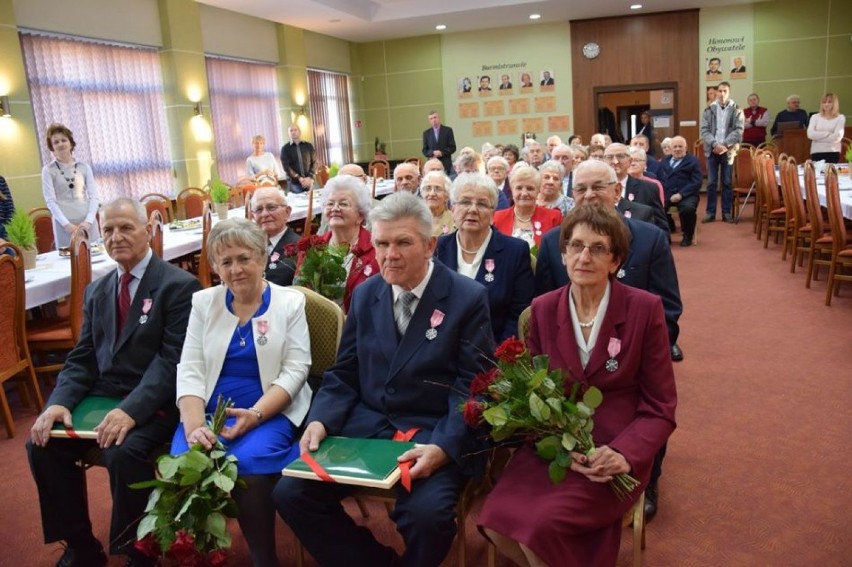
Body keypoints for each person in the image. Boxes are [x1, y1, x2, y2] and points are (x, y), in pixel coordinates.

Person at [274, 192, 495, 567]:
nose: (389, 254)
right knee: (290, 494)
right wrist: (319, 419)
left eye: (402, 242)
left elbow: (473, 387)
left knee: (428, 518)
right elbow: (344, 372)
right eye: (381, 243)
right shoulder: (365, 294)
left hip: (431, 434)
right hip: (368, 429)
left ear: (429, 245)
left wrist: (443, 447)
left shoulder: (466, 297)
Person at [479, 203, 677, 567]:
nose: (584, 256)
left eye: (598, 248)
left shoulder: (644, 309)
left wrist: (624, 455)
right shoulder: (542, 308)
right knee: (496, 520)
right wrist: (555, 444)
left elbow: (661, 407)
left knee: (541, 527)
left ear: (615, 260)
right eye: (575, 245)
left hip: (616, 450)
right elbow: (539, 392)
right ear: (564, 252)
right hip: (555, 444)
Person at [27, 198, 201, 566]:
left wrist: (130, 411)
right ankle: (81, 546)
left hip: (156, 402)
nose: (116, 237)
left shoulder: (178, 286)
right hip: (103, 395)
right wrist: (58, 402)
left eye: (126, 228)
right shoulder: (97, 290)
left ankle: (138, 550)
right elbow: (83, 357)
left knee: (124, 450)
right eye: (108, 230)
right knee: (41, 443)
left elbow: (172, 362)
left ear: (148, 231)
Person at [172, 218, 311, 567]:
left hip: (269, 411)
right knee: (188, 464)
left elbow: (296, 370)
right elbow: (189, 368)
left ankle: (264, 558)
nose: (236, 269)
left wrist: (256, 416)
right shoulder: (203, 303)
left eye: (244, 258)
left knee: (246, 469)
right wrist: (193, 427)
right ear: (216, 266)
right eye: (226, 261)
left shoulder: (289, 303)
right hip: (206, 413)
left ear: (263, 258)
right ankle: (200, 554)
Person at [435, 172, 533, 342]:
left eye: (482, 204)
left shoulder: (515, 251)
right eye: (465, 202)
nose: (472, 209)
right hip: (440, 352)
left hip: (491, 354)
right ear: (453, 208)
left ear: (493, 212)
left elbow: (519, 315)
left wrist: (499, 359)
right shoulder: (436, 249)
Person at [308, 175, 378, 313]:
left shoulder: (376, 249)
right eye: (330, 203)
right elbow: (303, 292)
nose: (335, 208)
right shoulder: (312, 248)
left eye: (343, 204)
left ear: (360, 215)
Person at [41, 123, 100, 248]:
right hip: (64, 226)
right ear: (52, 147)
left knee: (96, 258)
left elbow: (94, 196)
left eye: (64, 140)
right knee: (69, 262)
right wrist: (66, 225)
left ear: (71, 143)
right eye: (56, 142)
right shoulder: (48, 170)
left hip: (87, 223)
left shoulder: (84, 167)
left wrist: (88, 221)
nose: (61, 144)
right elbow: (50, 201)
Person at [603, 143, 670, 235]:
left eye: (620, 156)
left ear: (630, 161)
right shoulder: (595, 190)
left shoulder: (648, 189)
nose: (615, 161)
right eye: (610, 157)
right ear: (603, 161)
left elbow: (661, 227)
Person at [700, 82, 743, 223]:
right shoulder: (708, 110)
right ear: (716, 92)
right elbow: (704, 130)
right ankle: (710, 213)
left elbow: (738, 130)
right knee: (711, 182)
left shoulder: (737, 110)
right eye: (720, 91)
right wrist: (715, 144)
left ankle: (726, 213)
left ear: (729, 92)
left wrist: (724, 144)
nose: (722, 93)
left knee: (727, 182)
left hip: (728, 150)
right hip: (712, 150)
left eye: (725, 91)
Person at [493, 165, 561, 248]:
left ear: (538, 191)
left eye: (530, 188)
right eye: (519, 188)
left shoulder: (554, 217)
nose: (524, 193)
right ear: (512, 190)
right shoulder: (497, 218)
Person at [251, 186, 299, 287]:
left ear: (287, 212)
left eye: (271, 207)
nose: (264, 214)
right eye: (258, 209)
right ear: (253, 216)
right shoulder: (249, 246)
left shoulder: (299, 248)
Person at [659, 136, 702, 247]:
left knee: (687, 209)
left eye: (680, 146)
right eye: (675, 147)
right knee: (657, 207)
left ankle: (688, 235)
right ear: (671, 148)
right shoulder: (664, 160)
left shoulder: (693, 161)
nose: (677, 149)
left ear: (686, 148)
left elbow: (696, 182)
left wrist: (681, 194)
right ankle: (665, 234)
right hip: (667, 193)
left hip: (687, 195)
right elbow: (659, 178)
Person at [807, 93, 845, 163]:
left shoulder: (840, 118)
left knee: (831, 173)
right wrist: (827, 134)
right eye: (824, 102)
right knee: (817, 173)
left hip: (833, 151)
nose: (826, 104)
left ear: (835, 104)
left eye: (829, 102)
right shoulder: (815, 117)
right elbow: (810, 135)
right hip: (816, 151)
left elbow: (837, 137)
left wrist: (818, 137)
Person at [280, 124, 316, 194]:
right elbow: (286, 167)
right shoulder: (285, 149)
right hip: (294, 183)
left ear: (299, 132)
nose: (293, 132)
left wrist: (309, 177)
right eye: (291, 131)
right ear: (289, 134)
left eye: (295, 130)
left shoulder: (308, 146)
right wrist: (299, 178)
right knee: (298, 203)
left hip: (309, 181)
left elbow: (314, 162)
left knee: (311, 203)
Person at [420, 170, 454, 236]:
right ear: (422, 193)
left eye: (438, 189)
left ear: (447, 196)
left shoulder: (455, 220)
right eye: (428, 188)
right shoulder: (414, 218)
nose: (432, 193)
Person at [421, 110, 457, 175]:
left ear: (439, 118)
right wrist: (432, 152)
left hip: (446, 165)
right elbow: (424, 150)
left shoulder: (448, 130)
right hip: (432, 165)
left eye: (435, 117)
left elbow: (452, 147)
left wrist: (441, 152)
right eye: (431, 118)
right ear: (429, 121)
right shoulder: (426, 133)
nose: (433, 120)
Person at [0, 175, 16, 240]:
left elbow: (10, 208)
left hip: (4, 228)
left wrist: (7, 228)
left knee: (11, 250)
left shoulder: (1, 180)